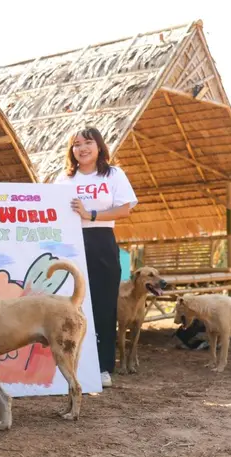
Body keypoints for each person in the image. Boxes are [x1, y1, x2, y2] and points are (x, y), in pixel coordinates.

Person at [56, 127, 137, 389]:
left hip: (102, 241)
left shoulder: (113, 174)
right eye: (76, 144)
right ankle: (69, 364)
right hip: (70, 243)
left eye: (88, 143)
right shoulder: (64, 179)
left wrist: (90, 214)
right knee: (71, 305)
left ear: (99, 146)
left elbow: (125, 209)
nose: (82, 148)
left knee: (103, 307)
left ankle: (102, 367)